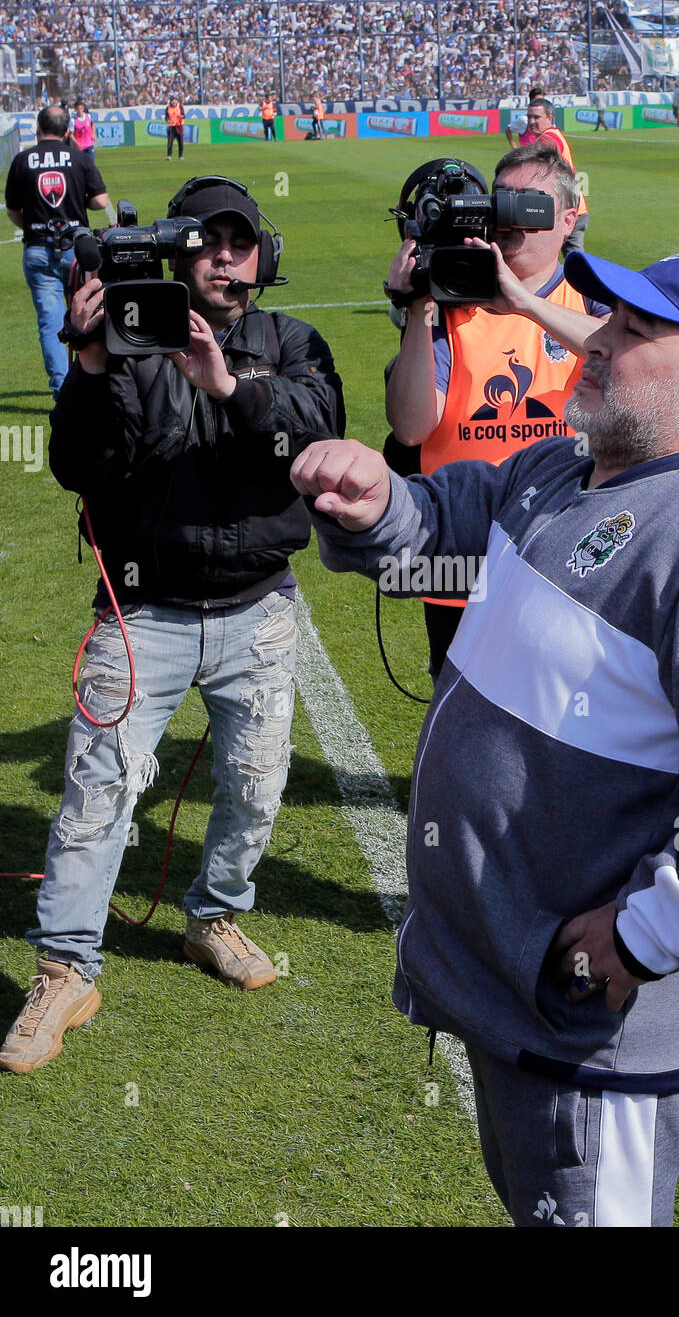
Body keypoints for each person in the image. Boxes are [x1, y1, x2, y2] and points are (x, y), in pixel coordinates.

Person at [291, 245, 679, 1227]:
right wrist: (381, 504)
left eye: (634, 332)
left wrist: (647, 930)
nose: (593, 340)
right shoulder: (561, 467)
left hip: (597, 1053)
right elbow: (445, 521)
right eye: (604, 318)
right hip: (514, 1007)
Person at [0, 177, 345, 1075]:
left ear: (262, 255)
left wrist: (228, 385)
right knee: (95, 794)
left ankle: (214, 916)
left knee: (257, 785)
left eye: (239, 241)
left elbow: (309, 443)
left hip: (258, 607)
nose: (224, 257)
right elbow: (78, 466)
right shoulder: (125, 340)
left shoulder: (293, 344)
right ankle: (65, 969)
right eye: (205, 242)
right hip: (141, 611)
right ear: (178, 255)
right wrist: (86, 358)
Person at [383, 142, 607, 677]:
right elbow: (412, 426)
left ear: (569, 216)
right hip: (464, 541)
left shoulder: (595, 293)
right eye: (500, 202)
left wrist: (526, 304)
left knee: (567, 698)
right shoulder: (452, 306)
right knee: (462, 694)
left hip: (565, 536)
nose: (508, 219)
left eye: (526, 205)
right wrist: (417, 310)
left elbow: (626, 357)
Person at [4, 104, 110, 399]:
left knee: (51, 321)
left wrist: (31, 224)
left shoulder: (23, 159)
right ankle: (96, 381)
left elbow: (13, 210)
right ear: (67, 131)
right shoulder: (79, 157)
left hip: (38, 248)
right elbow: (101, 202)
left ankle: (62, 390)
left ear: (38, 129)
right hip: (78, 250)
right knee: (90, 314)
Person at [523, 98, 590, 251]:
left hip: (565, 210)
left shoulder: (547, 139)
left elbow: (533, 173)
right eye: (529, 117)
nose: (531, 121)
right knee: (573, 261)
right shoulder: (555, 134)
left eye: (536, 117)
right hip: (572, 208)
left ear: (550, 118)